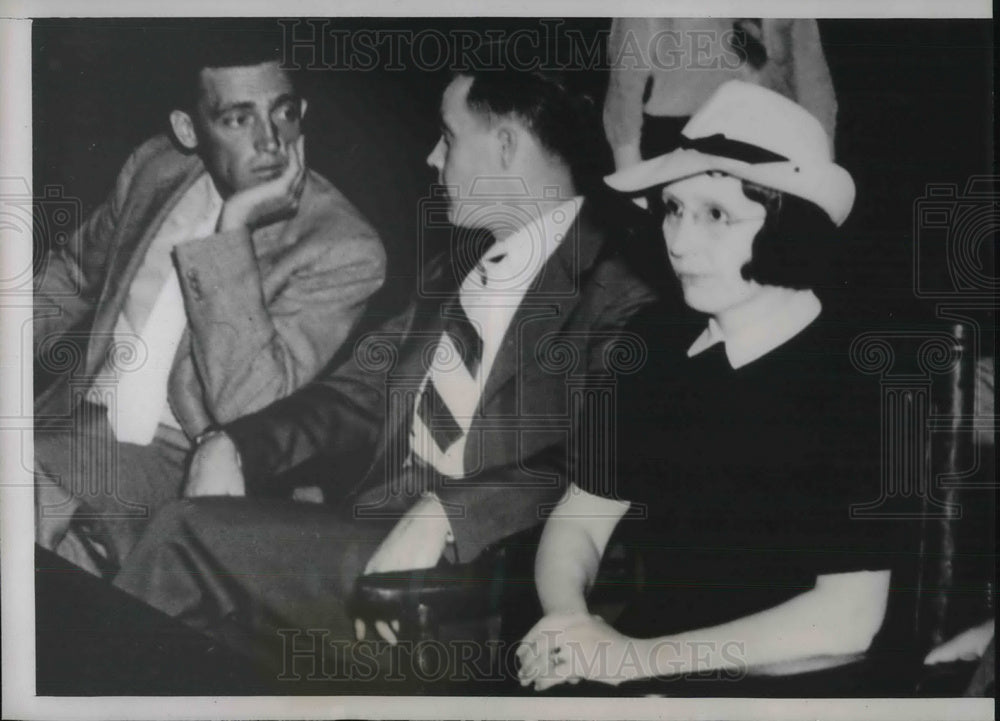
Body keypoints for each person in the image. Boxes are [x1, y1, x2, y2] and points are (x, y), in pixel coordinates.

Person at [111, 67, 657, 670]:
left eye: (448, 138)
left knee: (182, 540)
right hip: (370, 530)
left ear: (504, 148)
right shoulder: (459, 269)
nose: (430, 157)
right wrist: (238, 444)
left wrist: (452, 515)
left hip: (477, 582)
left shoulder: (617, 290)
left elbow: (602, 464)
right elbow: (357, 395)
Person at [518, 80, 898, 694]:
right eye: (673, 208)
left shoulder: (856, 374)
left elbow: (849, 619)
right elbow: (582, 518)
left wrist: (633, 660)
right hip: (651, 663)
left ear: (788, 227)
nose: (679, 240)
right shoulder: (656, 343)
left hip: (798, 687)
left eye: (716, 215)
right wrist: (569, 621)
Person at [33, 38, 386, 575]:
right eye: (238, 120)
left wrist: (233, 232)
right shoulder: (157, 167)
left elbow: (247, 405)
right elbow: (75, 275)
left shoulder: (342, 247)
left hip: (182, 458)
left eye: (283, 113)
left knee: (30, 476)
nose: (270, 142)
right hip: (75, 415)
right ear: (188, 129)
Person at [604, 18, 837, 169]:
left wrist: (822, 164)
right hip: (681, 139)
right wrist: (628, 167)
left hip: (772, 141)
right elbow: (623, 87)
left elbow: (814, 82)